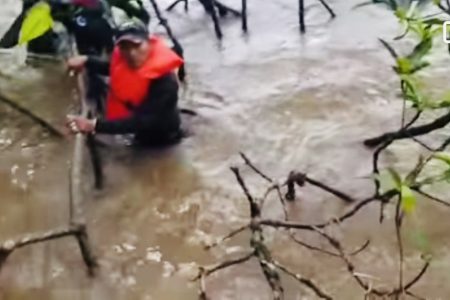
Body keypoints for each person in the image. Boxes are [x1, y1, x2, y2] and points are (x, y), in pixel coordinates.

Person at [66, 21, 185, 147]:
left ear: (149, 43)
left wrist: (93, 125)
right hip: (139, 130)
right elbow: (112, 69)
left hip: (163, 140)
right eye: (125, 47)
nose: (131, 53)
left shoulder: (166, 81)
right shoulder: (126, 61)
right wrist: (87, 60)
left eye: (136, 45)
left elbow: (144, 121)